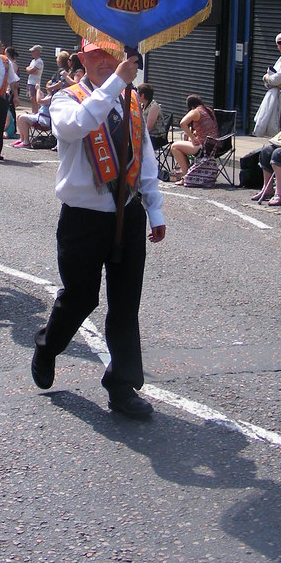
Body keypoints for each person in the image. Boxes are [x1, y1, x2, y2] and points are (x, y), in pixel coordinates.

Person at [31, 39, 165, 420]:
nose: (105, 62)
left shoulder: (130, 100)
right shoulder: (65, 99)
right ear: (82, 59)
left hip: (127, 212)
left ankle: (123, 386)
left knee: (125, 304)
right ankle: (47, 345)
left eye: (111, 55)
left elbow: (145, 154)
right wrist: (116, 85)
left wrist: (154, 209)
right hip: (83, 217)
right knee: (80, 297)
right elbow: (76, 127)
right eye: (96, 56)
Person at [170, 95, 219, 183]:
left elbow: (182, 123)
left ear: (191, 106)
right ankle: (190, 172)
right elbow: (204, 129)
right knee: (184, 143)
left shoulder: (195, 111)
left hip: (204, 147)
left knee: (174, 147)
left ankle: (185, 176)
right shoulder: (208, 110)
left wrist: (192, 138)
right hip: (215, 145)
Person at [25, 45, 45, 114]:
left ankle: (35, 112)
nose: (32, 53)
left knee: (33, 98)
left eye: (33, 51)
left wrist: (30, 70)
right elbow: (28, 69)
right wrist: (29, 70)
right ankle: (34, 112)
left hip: (35, 82)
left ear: (37, 52)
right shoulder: (33, 61)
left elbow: (31, 71)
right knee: (31, 98)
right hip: (30, 82)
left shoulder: (39, 61)